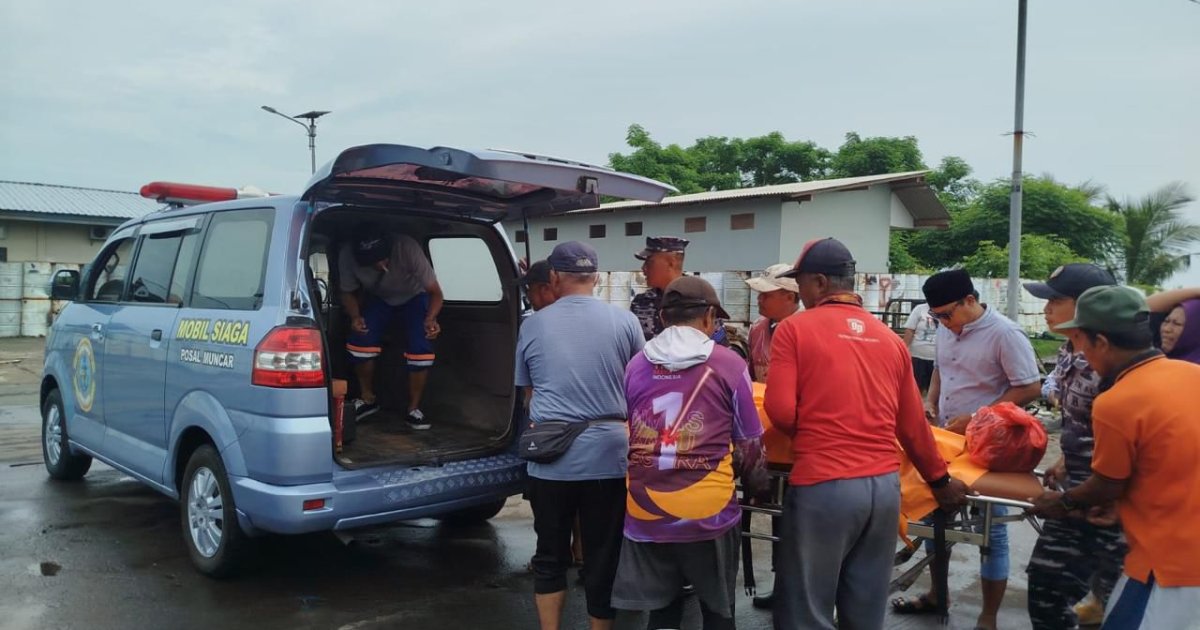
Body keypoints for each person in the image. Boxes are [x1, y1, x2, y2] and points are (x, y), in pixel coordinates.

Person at [763, 237, 968, 630]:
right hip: (883, 492)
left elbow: (781, 410)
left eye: (800, 283)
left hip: (824, 486)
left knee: (806, 612)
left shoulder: (794, 330)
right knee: (864, 610)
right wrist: (939, 480)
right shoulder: (890, 340)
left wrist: (823, 433)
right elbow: (913, 426)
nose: (799, 292)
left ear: (820, 283)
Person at [1029, 285, 1200, 629]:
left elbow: (1107, 484)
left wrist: (1062, 502)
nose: (1080, 351)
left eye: (1082, 340)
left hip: (1168, 565)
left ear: (1102, 343)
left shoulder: (1117, 401)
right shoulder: (1190, 374)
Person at [612, 276, 769, 630]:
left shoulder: (635, 365)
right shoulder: (729, 364)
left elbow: (631, 428)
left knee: (662, 612)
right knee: (716, 613)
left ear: (663, 317)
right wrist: (758, 489)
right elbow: (751, 446)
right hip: (707, 513)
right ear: (709, 317)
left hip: (645, 509)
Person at [894, 269, 1041, 630]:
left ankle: (988, 617)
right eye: (936, 317)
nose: (942, 323)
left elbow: (1029, 387)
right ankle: (937, 594)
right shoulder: (947, 329)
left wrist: (978, 418)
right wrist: (929, 401)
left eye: (946, 315)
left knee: (992, 530)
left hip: (993, 447)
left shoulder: (1005, 334)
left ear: (970, 301)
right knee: (933, 517)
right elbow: (940, 370)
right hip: (948, 439)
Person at [515, 241, 645, 630]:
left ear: (554, 277)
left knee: (550, 555)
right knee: (603, 557)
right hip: (608, 457)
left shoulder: (532, 324)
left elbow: (528, 393)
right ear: (596, 278)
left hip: (550, 460)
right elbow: (639, 385)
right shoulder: (626, 322)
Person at [1021, 264, 1127, 629]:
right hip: (1077, 493)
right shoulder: (1069, 350)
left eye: (1055, 300)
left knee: (1119, 605)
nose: (1046, 308)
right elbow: (1084, 421)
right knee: (1045, 591)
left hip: (1117, 502)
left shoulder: (1115, 361)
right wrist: (1068, 459)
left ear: (1087, 305)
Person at [339, 223, 444, 430]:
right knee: (360, 342)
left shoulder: (407, 247)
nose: (379, 265)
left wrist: (431, 319)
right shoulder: (347, 255)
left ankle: (413, 409)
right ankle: (368, 398)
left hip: (414, 296)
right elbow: (347, 292)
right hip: (379, 298)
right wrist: (355, 316)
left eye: (382, 258)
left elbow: (436, 292)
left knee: (421, 349)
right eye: (371, 261)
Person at [631, 236, 726, 344]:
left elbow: (720, 348)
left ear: (671, 263)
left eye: (649, 262)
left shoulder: (701, 300)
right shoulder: (640, 303)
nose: (643, 268)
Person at [743, 263, 801, 383]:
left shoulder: (808, 330)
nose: (759, 299)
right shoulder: (757, 328)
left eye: (766, 295)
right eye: (760, 294)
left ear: (790, 297)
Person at [1149, 290, 1200, 364]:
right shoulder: (1156, 356)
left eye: (1177, 324)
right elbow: (1144, 306)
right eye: (1166, 321)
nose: (1166, 329)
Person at [903, 301, 937, 392]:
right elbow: (910, 330)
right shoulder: (920, 309)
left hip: (939, 358)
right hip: (918, 356)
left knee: (935, 391)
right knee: (916, 389)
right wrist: (904, 350)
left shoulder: (949, 309)